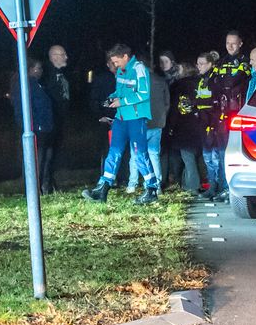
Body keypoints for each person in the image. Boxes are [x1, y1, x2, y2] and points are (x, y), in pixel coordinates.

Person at [81, 44, 161, 205]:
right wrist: (111, 98)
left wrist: (122, 102)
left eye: (117, 61)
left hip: (136, 118)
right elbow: (119, 91)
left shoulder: (139, 69)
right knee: (114, 152)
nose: (115, 65)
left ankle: (151, 189)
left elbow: (144, 95)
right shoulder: (121, 71)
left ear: (125, 57)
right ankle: (103, 187)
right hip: (121, 118)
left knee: (140, 154)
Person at [206, 31, 251, 201]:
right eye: (227, 43)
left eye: (233, 43)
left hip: (238, 112)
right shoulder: (221, 62)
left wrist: (223, 81)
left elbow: (232, 82)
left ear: (240, 43)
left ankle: (231, 188)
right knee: (220, 152)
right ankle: (219, 186)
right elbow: (212, 83)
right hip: (222, 113)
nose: (230, 46)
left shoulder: (245, 61)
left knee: (234, 152)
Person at [9, 58, 54, 194]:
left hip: (43, 126)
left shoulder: (35, 84)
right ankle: (33, 189)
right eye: (38, 68)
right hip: (36, 127)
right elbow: (27, 107)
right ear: (30, 69)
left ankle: (42, 186)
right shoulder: (27, 84)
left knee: (44, 156)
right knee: (36, 158)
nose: (41, 71)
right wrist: (35, 124)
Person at [127, 57, 169, 194]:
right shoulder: (161, 81)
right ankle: (156, 186)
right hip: (157, 123)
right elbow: (167, 103)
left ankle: (132, 184)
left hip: (139, 124)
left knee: (135, 155)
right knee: (154, 154)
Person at [40, 44, 73, 193]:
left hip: (59, 120)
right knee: (47, 153)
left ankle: (49, 182)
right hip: (50, 122)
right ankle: (44, 184)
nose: (66, 57)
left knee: (54, 153)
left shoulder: (62, 74)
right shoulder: (46, 75)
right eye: (63, 54)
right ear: (54, 56)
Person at [166, 62, 203, 194]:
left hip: (183, 126)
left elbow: (175, 108)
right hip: (199, 124)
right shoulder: (202, 83)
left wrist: (171, 125)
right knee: (193, 157)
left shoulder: (179, 86)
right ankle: (187, 185)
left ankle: (192, 186)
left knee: (187, 158)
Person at [194, 51, 224, 200]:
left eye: (202, 64)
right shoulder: (202, 80)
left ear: (211, 64)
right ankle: (212, 186)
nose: (199, 67)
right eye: (198, 64)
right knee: (207, 157)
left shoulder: (215, 79)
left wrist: (196, 103)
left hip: (213, 122)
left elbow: (214, 101)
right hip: (203, 122)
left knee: (215, 157)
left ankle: (218, 186)